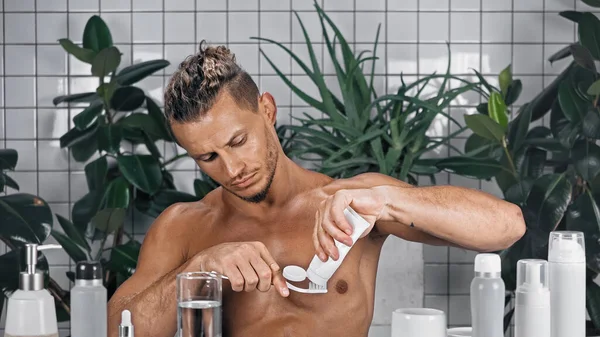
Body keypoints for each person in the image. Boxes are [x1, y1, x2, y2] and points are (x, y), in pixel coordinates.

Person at [106, 41, 526, 337]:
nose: (232, 169)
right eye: (207, 157)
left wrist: (385, 200)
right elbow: (116, 329)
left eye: (237, 142)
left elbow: (507, 226)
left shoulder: (356, 203)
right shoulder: (184, 227)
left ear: (266, 111)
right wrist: (198, 270)